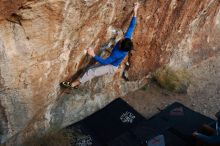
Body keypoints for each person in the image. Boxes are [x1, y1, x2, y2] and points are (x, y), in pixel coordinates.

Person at [62, 2, 140, 88]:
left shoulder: (117, 53)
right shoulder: (127, 39)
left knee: (92, 72)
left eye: (121, 42)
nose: (121, 39)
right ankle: (78, 84)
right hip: (111, 62)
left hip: (111, 66)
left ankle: (72, 85)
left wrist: (93, 54)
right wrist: (135, 11)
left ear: (121, 47)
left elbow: (105, 62)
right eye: (123, 39)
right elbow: (132, 26)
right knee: (90, 69)